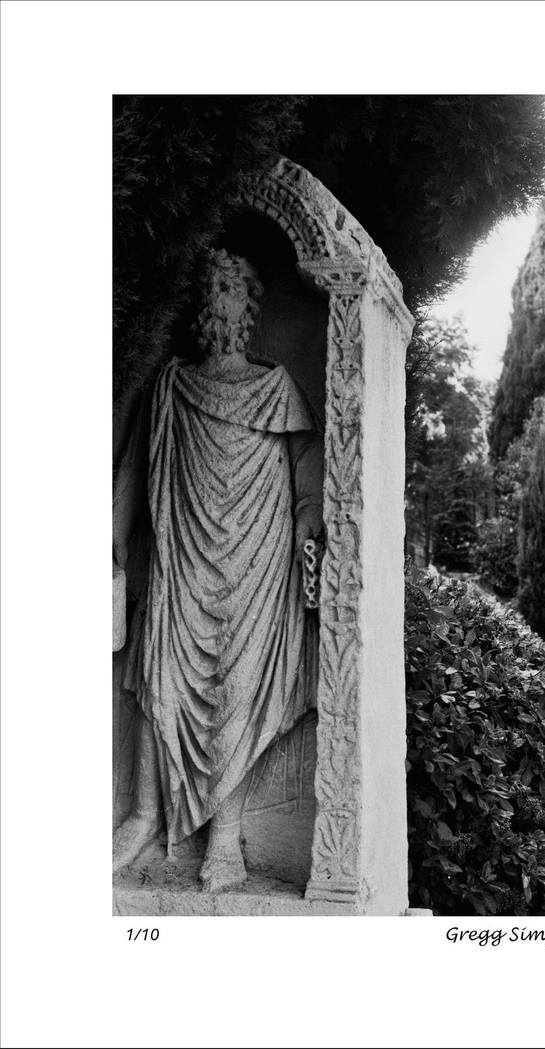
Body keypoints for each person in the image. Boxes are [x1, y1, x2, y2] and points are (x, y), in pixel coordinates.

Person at [112, 248, 323, 892]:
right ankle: (144, 815)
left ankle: (225, 839)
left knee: (239, 689)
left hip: (257, 565)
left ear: (249, 305)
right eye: (209, 288)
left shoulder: (276, 388)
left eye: (229, 288)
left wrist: (308, 519)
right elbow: (137, 466)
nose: (217, 298)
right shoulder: (171, 387)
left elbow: (307, 465)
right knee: (161, 673)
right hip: (182, 557)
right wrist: (113, 531)